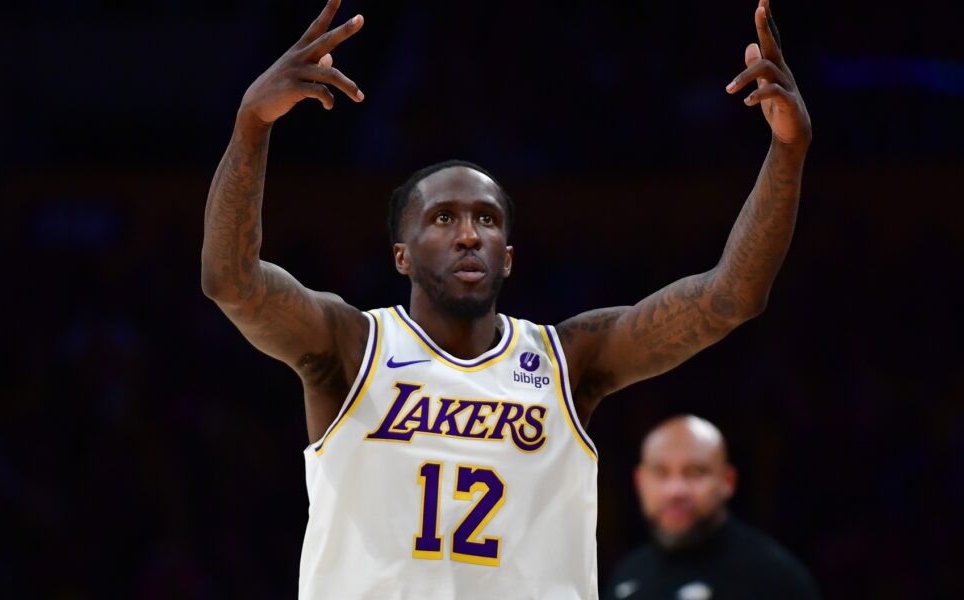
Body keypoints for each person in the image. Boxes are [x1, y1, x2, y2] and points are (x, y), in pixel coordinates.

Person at [199, 0, 811, 596]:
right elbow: (232, 281)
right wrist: (252, 125)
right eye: (442, 218)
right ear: (401, 256)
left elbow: (730, 297)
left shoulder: (570, 361)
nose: (469, 234)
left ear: (509, 257)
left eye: (487, 220)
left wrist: (788, 151)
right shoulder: (351, 346)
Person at [603, 415, 820, 600]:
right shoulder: (626, 576)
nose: (676, 491)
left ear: (728, 481)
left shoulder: (774, 579)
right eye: (661, 473)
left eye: (695, 472)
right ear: (639, 482)